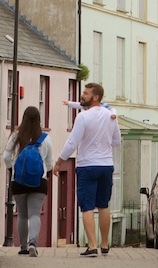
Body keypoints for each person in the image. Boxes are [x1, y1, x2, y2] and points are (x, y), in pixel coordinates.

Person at [52, 82, 122, 257]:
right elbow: (117, 141)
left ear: (95, 97)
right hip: (106, 165)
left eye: (85, 93)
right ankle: (104, 244)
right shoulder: (110, 116)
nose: (82, 95)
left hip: (87, 165)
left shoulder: (83, 117)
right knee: (103, 205)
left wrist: (60, 161)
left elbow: (72, 142)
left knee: (87, 206)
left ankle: (92, 246)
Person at [2, 106, 54, 258]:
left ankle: (23, 247)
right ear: (39, 120)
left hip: (18, 181)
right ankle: (33, 243)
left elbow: (6, 157)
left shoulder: (16, 136)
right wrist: (46, 172)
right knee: (35, 214)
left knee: (23, 215)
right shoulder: (45, 138)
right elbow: (49, 162)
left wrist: (11, 169)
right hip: (39, 181)